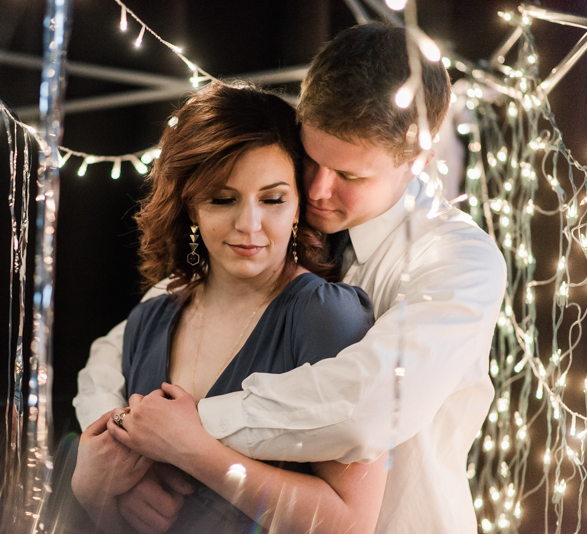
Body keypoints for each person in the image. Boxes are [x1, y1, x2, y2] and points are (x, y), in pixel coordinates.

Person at [74, 22, 506, 533]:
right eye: (312, 158)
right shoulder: (275, 230)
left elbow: (364, 408)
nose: (319, 190)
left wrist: (188, 434)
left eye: (350, 176)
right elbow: (117, 350)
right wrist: (113, 453)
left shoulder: (459, 260)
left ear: (419, 161)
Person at [71, 81, 387, 534]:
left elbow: (352, 524)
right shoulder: (150, 319)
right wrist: (92, 489)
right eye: (223, 199)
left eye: (273, 199)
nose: (249, 225)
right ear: (190, 206)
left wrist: (193, 450)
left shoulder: (325, 316)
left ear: (298, 203)